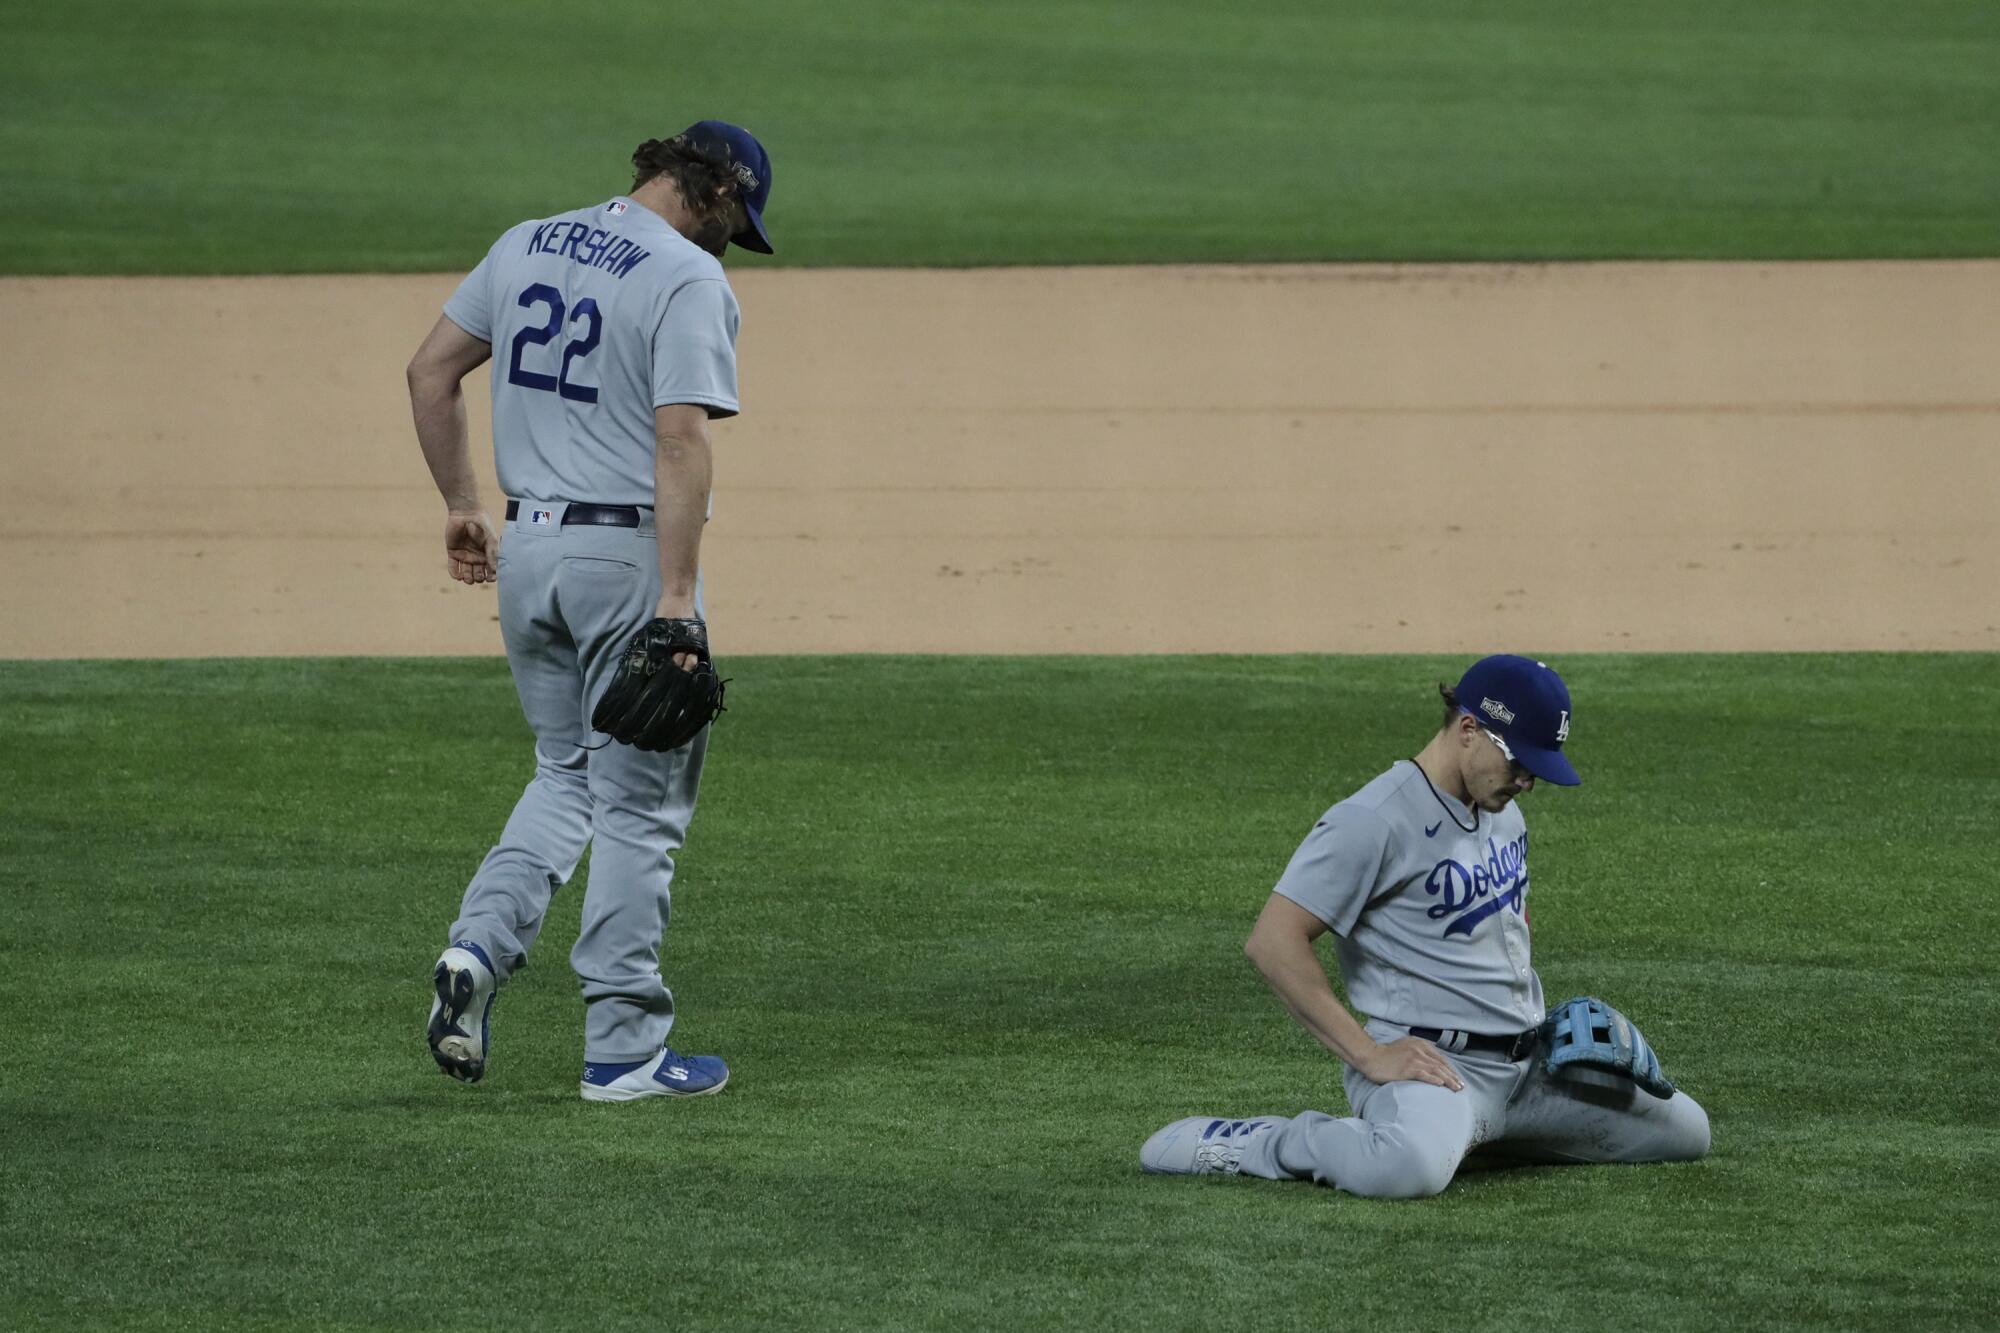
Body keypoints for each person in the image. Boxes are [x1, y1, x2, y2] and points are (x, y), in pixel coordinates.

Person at [404, 120, 774, 1103]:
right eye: (734, 226)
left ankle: (478, 951)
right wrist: (678, 605)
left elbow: (429, 371)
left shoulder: (527, 239)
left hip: (526, 552)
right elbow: (680, 443)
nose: (726, 247)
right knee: (641, 807)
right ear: (714, 195)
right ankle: (622, 1050)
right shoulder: (685, 278)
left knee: (564, 773)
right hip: (620, 556)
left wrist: (458, 506)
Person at [1139, 655, 1710, 1196]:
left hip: (1528, 1068)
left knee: (1686, 1133)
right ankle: (1263, 1144)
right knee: (1406, 1169)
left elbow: (1508, 918)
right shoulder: (1371, 820)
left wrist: (1536, 1016)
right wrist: (1367, 1054)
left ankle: (1465, 1138)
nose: (1528, 782)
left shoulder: (1501, 809)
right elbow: (1272, 942)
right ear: (1469, 729)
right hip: (1437, 1067)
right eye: (1520, 762)